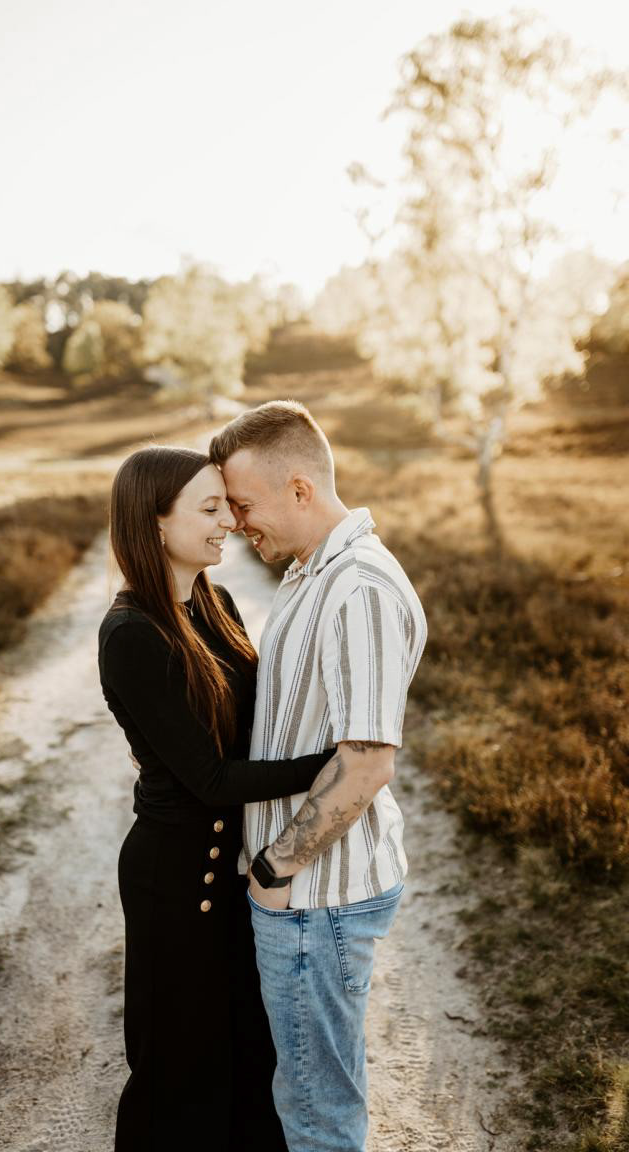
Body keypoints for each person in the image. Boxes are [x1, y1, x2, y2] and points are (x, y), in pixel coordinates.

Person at [97, 444, 336, 1152]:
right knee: (178, 1065)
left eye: (228, 506)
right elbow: (211, 779)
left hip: (231, 875)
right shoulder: (131, 635)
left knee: (248, 1052)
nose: (228, 521)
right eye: (208, 509)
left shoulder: (215, 601)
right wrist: (332, 765)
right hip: (174, 880)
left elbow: (259, 723)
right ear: (154, 524)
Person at [209, 400, 428, 1152]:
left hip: (315, 901)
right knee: (303, 1093)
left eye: (245, 504)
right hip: (304, 899)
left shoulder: (358, 587)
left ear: (300, 489)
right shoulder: (312, 571)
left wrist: (276, 866)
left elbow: (367, 763)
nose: (237, 523)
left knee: (317, 1116)